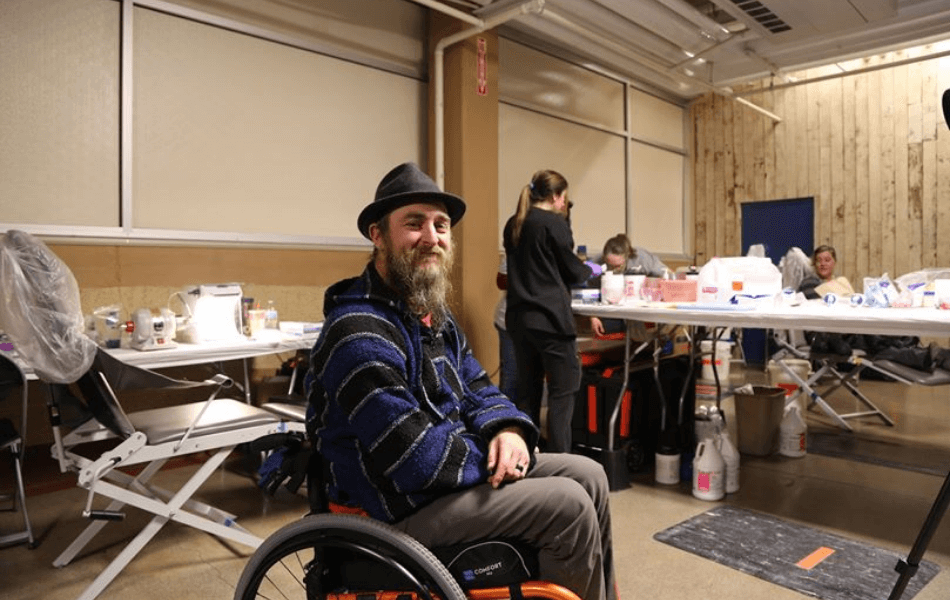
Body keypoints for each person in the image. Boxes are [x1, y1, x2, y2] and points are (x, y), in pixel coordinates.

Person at [305, 162, 617, 600]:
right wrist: (496, 458)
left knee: (590, 475)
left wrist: (507, 431)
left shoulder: (433, 317)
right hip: (388, 508)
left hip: (439, 481)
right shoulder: (358, 331)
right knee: (567, 506)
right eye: (414, 224)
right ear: (378, 235)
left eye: (441, 225)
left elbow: (479, 387)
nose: (432, 237)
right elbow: (415, 459)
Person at [503, 169, 601, 454]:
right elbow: (571, 270)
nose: (564, 205)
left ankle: (527, 458)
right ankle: (562, 467)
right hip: (550, 321)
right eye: (564, 199)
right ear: (557, 196)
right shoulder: (552, 224)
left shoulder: (514, 223)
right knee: (562, 396)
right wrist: (592, 270)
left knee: (528, 396)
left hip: (520, 321)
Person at [591, 233, 668, 337]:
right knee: (606, 327)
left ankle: (652, 345)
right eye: (610, 265)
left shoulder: (641, 258)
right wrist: (593, 317)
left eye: (618, 266)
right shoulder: (596, 263)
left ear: (628, 256)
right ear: (604, 258)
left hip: (640, 305)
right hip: (611, 308)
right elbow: (589, 292)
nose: (614, 269)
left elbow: (665, 274)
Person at [493, 252, 518, 402]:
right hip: (509, 321)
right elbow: (501, 281)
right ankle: (505, 420)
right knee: (511, 375)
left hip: (535, 323)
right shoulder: (515, 248)